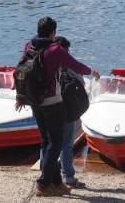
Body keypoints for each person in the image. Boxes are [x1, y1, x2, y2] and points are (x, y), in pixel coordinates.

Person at [18, 16, 97, 196]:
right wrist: (92, 71)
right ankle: (43, 183)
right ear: (53, 32)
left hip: (35, 101)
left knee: (46, 141)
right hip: (52, 102)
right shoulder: (55, 49)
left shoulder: (28, 46)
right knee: (57, 142)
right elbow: (75, 65)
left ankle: (56, 182)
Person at [55, 36, 87, 189]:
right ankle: (68, 177)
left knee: (47, 143)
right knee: (66, 145)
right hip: (66, 109)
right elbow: (81, 82)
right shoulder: (69, 65)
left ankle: (46, 175)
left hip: (47, 107)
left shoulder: (44, 61)